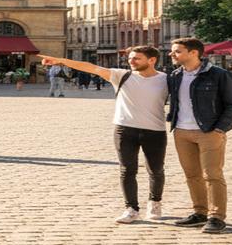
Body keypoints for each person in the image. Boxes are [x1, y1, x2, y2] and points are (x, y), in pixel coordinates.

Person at [39, 47, 168, 224]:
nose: (131, 61)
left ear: (152, 60)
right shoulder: (121, 75)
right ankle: (131, 208)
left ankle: (155, 203)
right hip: (125, 129)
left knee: (155, 170)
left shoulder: (166, 80)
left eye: (137, 58)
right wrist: (61, 61)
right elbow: (89, 67)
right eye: (130, 58)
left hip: (155, 130)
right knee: (127, 170)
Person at [166, 38, 232, 234]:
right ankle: (199, 212)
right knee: (192, 175)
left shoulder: (219, 75)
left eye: (176, 51)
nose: (171, 54)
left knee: (213, 175)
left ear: (194, 53)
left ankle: (216, 217)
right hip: (182, 132)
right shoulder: (175, 75)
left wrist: (220, 128)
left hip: (208, 131)